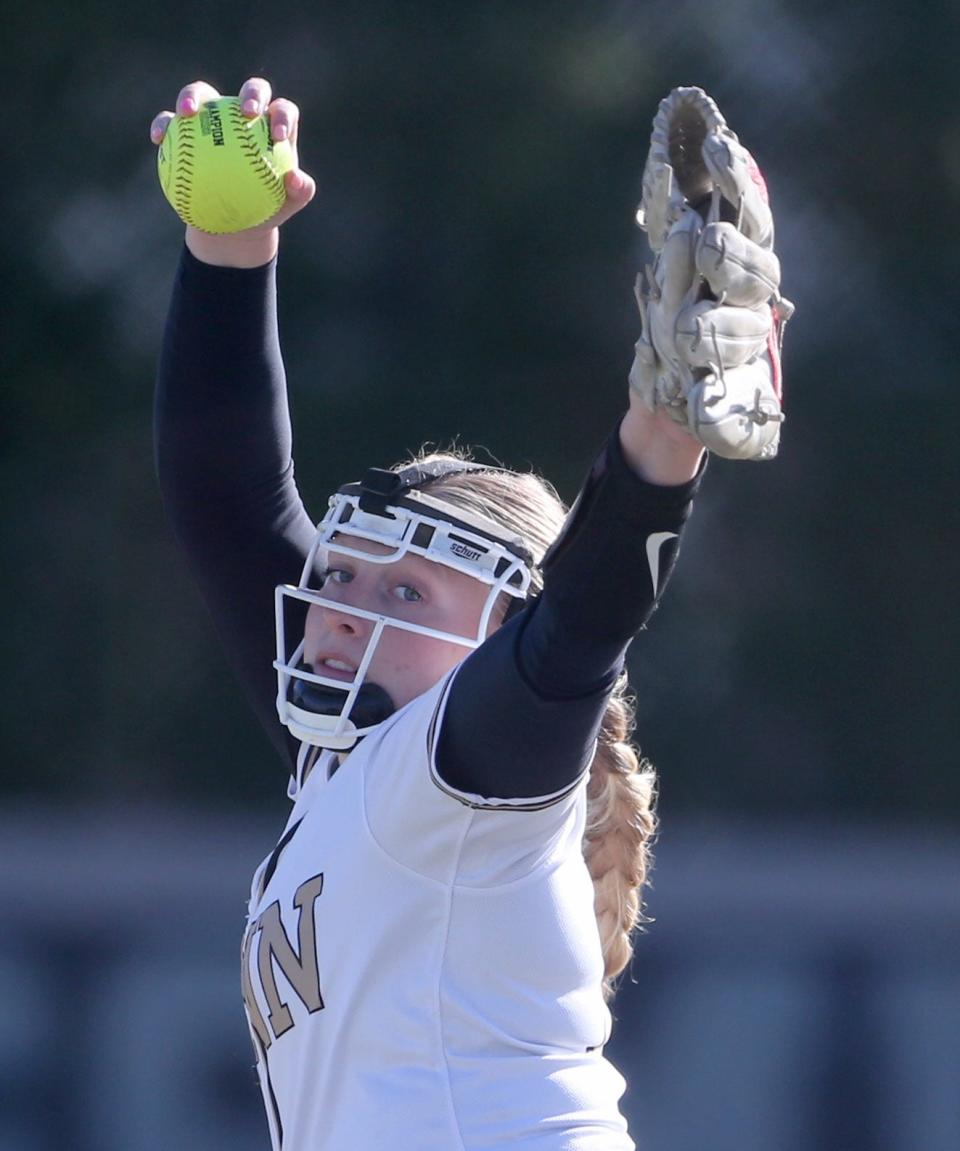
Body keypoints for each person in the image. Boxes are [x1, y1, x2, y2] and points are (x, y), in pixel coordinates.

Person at [152, 77, 778, 1151]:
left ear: (499, 633)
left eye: (405, 591)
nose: (343, 608)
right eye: (341, 576)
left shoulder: (449, 773)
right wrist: (228, 247)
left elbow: (581, 620)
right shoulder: (348, 770)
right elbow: (225, 496)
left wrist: (663, 435)